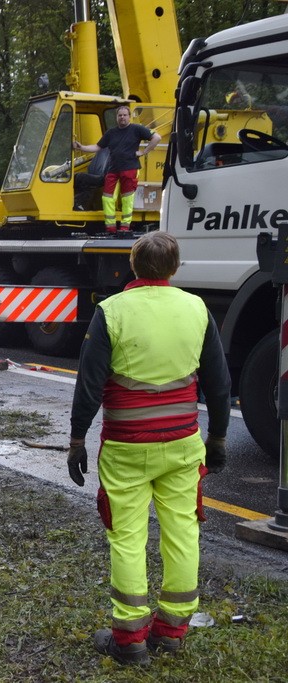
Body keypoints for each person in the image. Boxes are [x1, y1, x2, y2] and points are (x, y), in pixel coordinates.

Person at [67, 231, 231, 666]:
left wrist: (77, 439)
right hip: (181, 445)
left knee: (127, 535)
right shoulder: (196, 309)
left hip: (126, 446)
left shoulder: (112, 312)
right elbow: (218, 383)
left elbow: (89, 383)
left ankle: (130, 640)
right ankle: (173, 631)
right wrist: (216, 438)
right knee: (183, 532)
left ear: (134, 266)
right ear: (174, 269)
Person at [73, 106, 161, 232]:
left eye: (125, 115)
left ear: (129, 116)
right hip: (113, 169)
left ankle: (125, 228)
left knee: (127, 199)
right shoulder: (111, 133)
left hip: (130, 169)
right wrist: (81, 147)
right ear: (116, 117)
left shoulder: (136, 129)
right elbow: (97, 147)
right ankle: (111, 228)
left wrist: (144, 152)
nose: (122, 117)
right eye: (120, 115)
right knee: (107, 198)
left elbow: (157, 137)